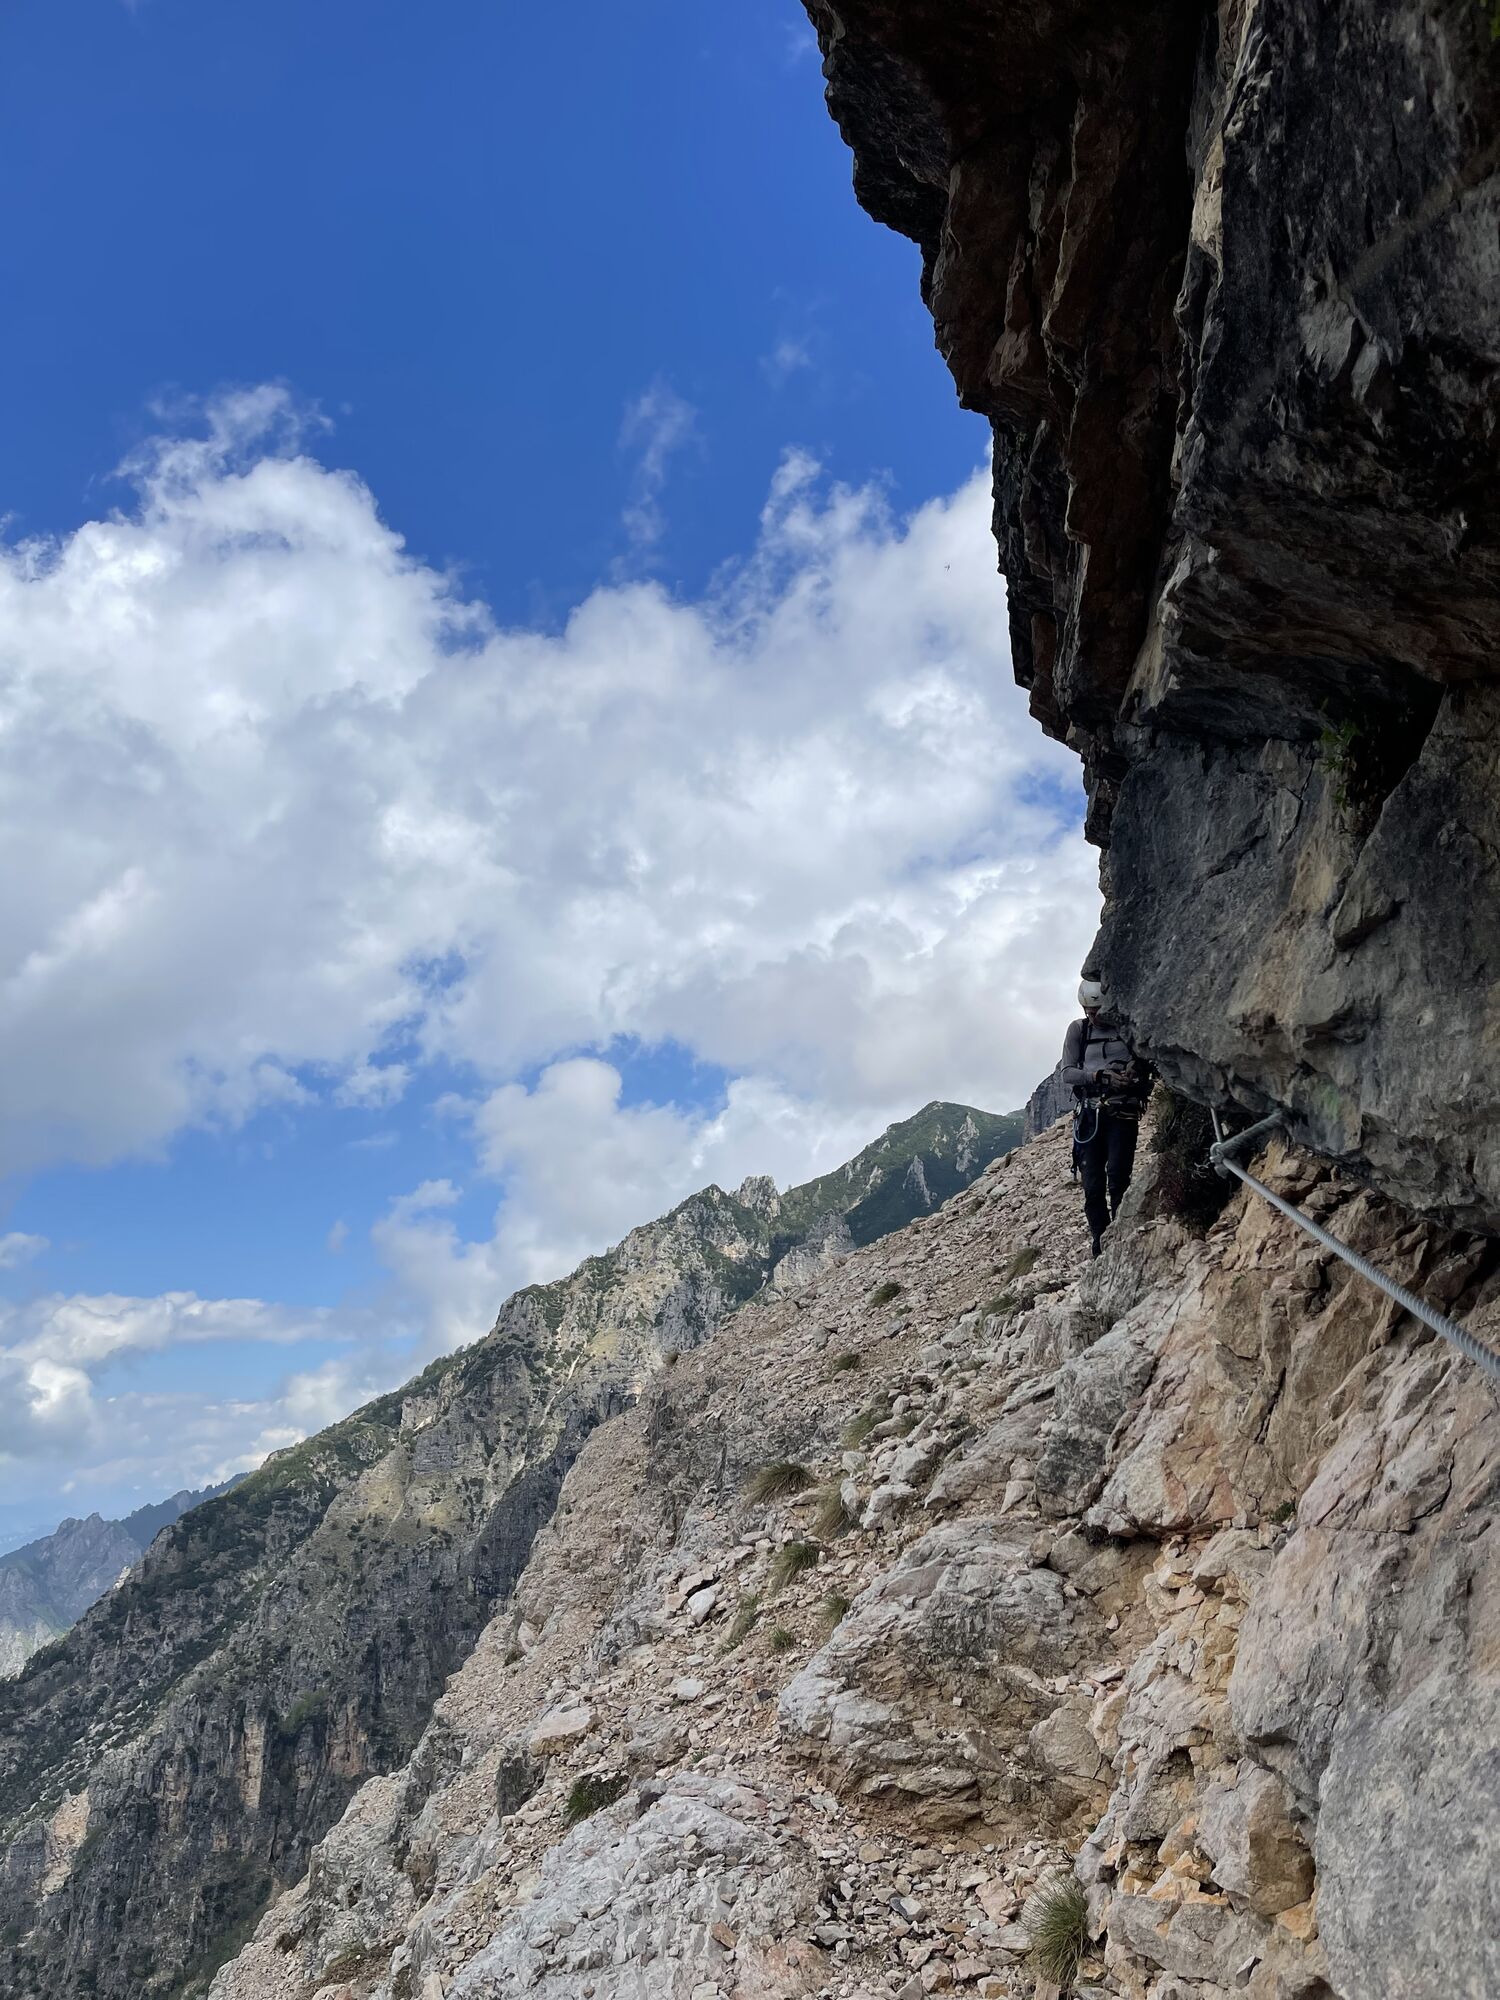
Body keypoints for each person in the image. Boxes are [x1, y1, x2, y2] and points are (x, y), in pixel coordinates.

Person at [1061, 977, 1152, 1256]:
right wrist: (1099, 1076)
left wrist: (1134, 1070)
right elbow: (1067, 1073)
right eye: (1089, 1011)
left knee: (1118, 1177)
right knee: (1092, 1184)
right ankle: (1100, 1245)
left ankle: (1121, 1239)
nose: (1093, 1016)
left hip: (1121, 1111)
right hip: (1090, 1114)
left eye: (1097, 1011)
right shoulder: (1079, 1030)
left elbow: (1148, 1061)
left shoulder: (1128, 1029)